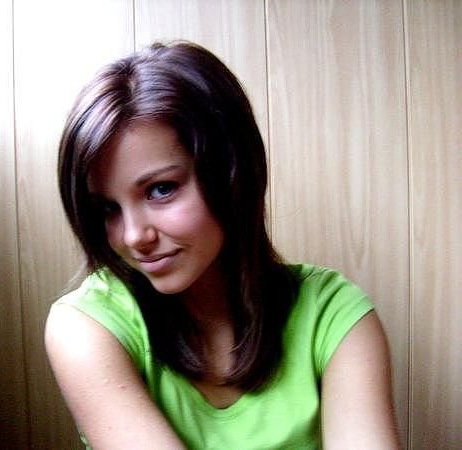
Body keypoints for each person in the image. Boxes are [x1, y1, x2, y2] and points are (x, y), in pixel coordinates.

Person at [45, 41, 399, 449]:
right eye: (108, 208)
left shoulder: (332, 314)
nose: (133, 236)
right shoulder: (87, 326)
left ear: (233, 172)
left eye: (161, 189)